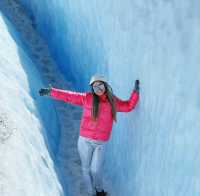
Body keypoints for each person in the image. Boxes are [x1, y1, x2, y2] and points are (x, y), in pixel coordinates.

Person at [39, 75, 140, 196]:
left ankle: (99, 190)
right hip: (84, 140)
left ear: (105, 85)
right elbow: (69, 96)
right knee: (86, 169)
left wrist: (135, 93)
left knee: (95, 169)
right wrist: (52, 92)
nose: (98, 89)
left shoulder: (113, 101)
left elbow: (128, 106)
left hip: (101, 142)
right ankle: (91, 193)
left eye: (100, 85)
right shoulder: (87, 98)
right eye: (95, 87)